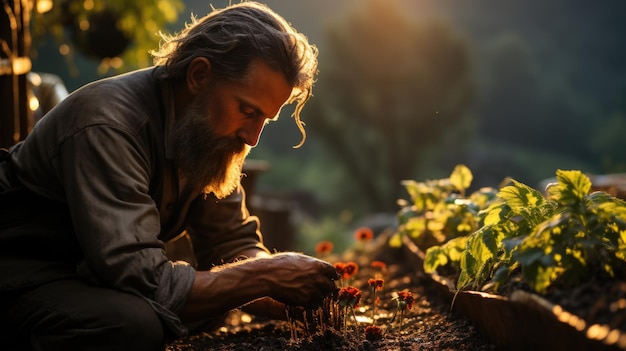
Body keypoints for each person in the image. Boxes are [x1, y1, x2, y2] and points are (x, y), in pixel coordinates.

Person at [0, 2, 339, 350]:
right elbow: (141, 278)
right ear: (199, 75)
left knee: (214, 298)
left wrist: (284, 294)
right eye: (248, 111)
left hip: (84, 280)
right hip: (20, 275)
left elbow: (232, 245)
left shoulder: (206, 135)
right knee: (134, 323)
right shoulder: (107, 125)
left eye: (264, 120)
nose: (253, 137)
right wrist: (264, 276)